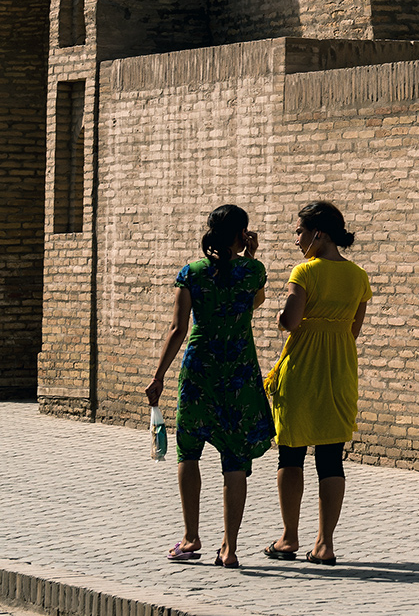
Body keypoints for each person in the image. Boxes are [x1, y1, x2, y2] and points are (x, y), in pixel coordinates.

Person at [145, 204, 275, 568]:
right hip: (238, 371)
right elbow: (255, 302)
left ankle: (190, 536)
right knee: (235, 457)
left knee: (189, 452)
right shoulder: (253, 271)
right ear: (240, 235)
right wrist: (250, 256)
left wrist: (158, 376)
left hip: (199, 370)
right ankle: (229, 547)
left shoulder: (192, 274)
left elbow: (177, 329)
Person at [262, 200, 372, 566]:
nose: (297, 240)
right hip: (340, 369)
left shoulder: (304, 271)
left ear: (318, 234)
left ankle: (289, 537)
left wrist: (282, 316)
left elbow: (291, 322)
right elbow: (353, 330)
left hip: (302, 369)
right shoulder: (358, 276)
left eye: (300, 232)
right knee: (330, 459)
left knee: (290, 454)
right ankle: (325, 544)